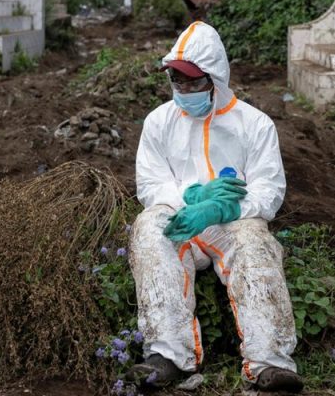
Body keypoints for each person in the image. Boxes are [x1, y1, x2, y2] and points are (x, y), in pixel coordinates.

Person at [128, 21, 302, 394]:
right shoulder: (159, 122)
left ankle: (269, 362)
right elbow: (151, 183)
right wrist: (191, 199)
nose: (185, 90)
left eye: (194, 82)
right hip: (184, 220)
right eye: (178, 81)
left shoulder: (254, 124)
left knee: (256, 247)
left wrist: (223, 210)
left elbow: (269, 191)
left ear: (216, 78)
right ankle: (168, 355)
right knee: (148, 231)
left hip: (232, 224)